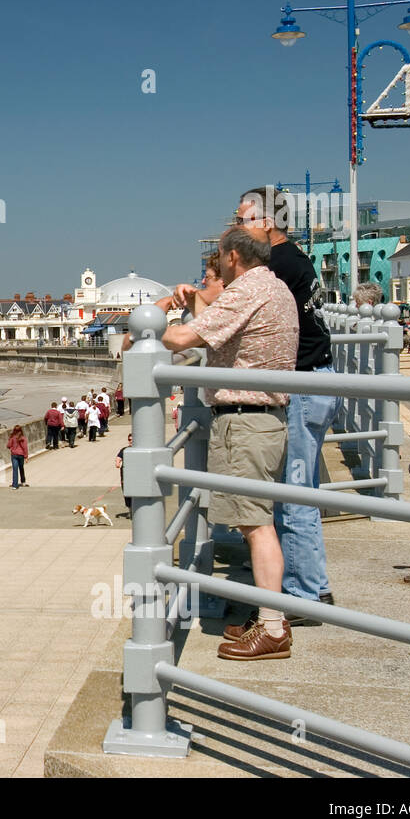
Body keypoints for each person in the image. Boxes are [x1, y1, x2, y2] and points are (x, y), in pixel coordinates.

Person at [175, 187, 339, 619]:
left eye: (243, 219)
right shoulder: (294, 261)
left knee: (291, 497)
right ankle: (308, 585)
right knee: (295, 493)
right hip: (315, 378)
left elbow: (215, 316)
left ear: (267, 223)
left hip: (297, 384)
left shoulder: (274, 268)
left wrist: (180, 305)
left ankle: (302, 597)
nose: (236, 227)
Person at [148, 221, 299, 660]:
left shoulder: (247, 291)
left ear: (233, 256)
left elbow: (180, 337)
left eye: (218, 255)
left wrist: (153, 317)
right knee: (258, 520)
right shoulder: (273, 287)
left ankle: (272, 628)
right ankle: (269, 616)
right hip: (264, 419)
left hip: (246, 422)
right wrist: (194, 300)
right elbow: (220, 331)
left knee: (256, 525)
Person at [115, 433, 133, 516]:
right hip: (125, 477)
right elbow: (118, 457)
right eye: (129, 439)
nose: (131, 441)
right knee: (127, 493)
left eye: (132, 439)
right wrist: (117, 462)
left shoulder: (140, 450)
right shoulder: (124, 450)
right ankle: (130, 510)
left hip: (136, 476)